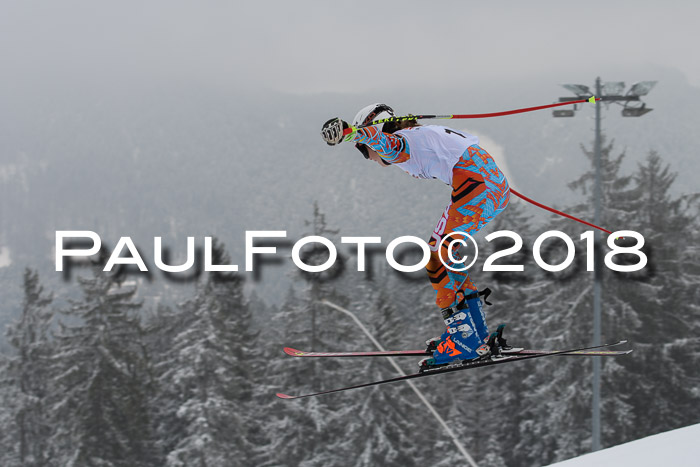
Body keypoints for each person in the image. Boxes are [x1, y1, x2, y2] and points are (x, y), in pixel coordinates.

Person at [321, 104, 510, 369]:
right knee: (444, 254)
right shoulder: (419, 136)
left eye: (364, 153)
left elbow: (384, 143)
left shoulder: (402, 142)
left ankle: (464, 340)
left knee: (435, 259)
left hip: (476, 187)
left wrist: (351, 133)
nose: (370, 158)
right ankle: (473, 334)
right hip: (483, 186)